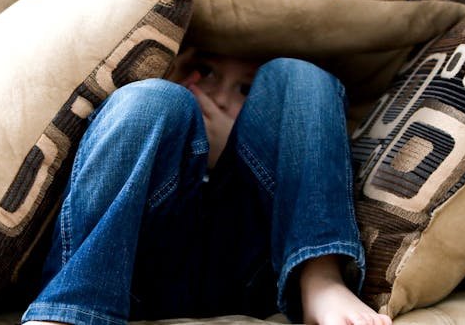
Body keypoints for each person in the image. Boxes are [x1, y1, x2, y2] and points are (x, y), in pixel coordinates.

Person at [22, 47, 393, 325]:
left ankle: (320, 277)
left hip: (247, 266)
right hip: (135, 264)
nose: (217, 96)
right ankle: (71, 308)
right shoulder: (169, 110)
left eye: (245, 89)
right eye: (205, 72)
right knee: (151, 99)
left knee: (298, 75)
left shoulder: (266, 131)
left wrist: (235, 142)